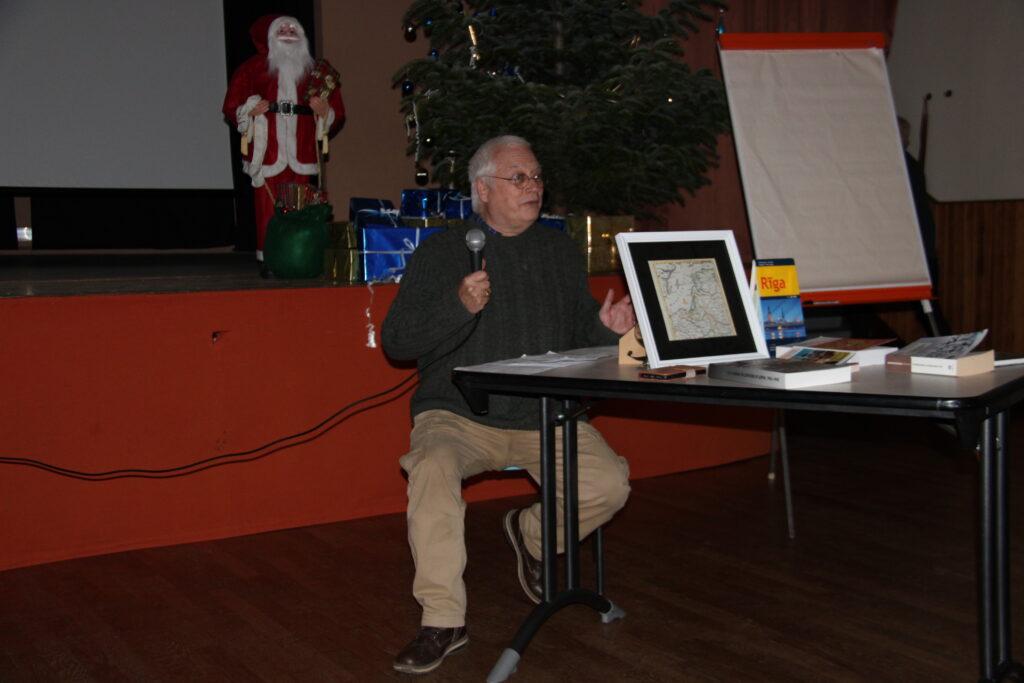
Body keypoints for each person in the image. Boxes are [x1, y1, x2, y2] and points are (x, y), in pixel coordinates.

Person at [382, 135, 636, 675]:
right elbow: (398, 341)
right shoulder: (441, 252)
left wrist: (605, 329)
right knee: (431, 470)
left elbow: (578, 332)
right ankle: (443, 620)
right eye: (518, 177)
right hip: (457, 413)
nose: (533, 186)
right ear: (482, 190)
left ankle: (533, 535)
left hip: (544, 411)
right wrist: (458, 305)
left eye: (537, 176)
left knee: (609, 483)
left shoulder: (558, 251)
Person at [222, 14, 345, 275]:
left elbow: (336, 110)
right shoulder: (252, 68)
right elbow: (232, 105)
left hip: (302, 149)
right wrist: (250, 109)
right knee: (267, 206)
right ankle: (268, 257)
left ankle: (300, 255)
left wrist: (324, 111)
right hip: (268, 149)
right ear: (269, 36)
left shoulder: (316, 72)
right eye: (282, 30)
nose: (288, 33)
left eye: (293, 29)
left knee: (302, 205)